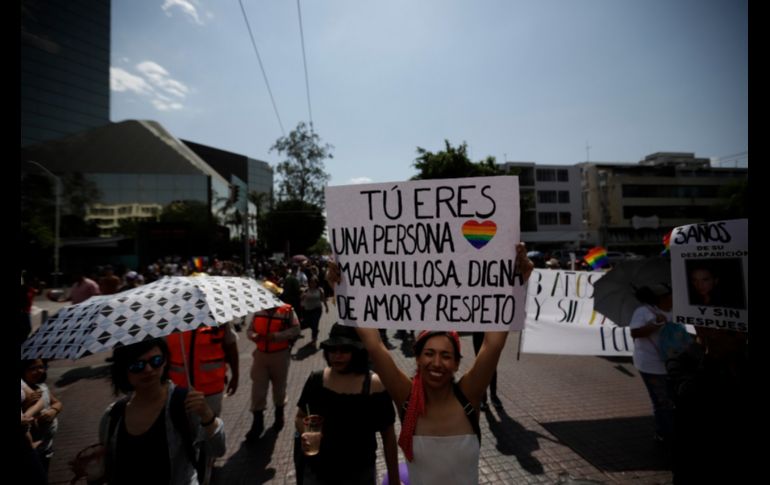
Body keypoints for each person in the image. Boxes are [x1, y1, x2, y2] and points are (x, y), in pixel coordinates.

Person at [326, 243, 533, 484]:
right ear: (417, 358)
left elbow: (493, 344)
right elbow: (374, 344)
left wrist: (517, 281)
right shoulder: (406, 398)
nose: (436, 362)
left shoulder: (469, 395)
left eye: (446, 356)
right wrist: (341, 286)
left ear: (456, 364)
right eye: (429, 353)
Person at [75, 338, 225, 485]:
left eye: (156, 361)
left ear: (165, 361)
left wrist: (207, 415)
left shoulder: (185, 404)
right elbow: (110, 473)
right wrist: (94, 472)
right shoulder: (112, 416)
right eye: (137, 365)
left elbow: (217, 449)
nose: (148, 370)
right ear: (123, 368)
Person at [294, 323, 400, 485]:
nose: (337, 356)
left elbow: (388, 436)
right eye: (332, 350)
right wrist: (306, 434)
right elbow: (300, 416)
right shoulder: (316, 379)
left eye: (345, 350)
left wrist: (394, 479)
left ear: (358, 352)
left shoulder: (374, 385)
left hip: (360, 474)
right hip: (318, 472)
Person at [666, 327, 748, 484]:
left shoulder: (740, 356)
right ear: (701, 330)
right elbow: (687, 396)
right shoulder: (682, 359)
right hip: (697, 459)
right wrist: (712, 359)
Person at [166, 323, 239, 485]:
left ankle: (206, 472)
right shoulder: (170, 322)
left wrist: (235, 375)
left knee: (208, 435)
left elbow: (231, 346)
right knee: (184, 436)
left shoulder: (218, 319)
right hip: (179, 392)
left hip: (211, 390)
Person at [244, 299, 301, 441]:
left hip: (280, 355)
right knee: (258, 389)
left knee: (279, 388)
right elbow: (249, 330)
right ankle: (257, 423)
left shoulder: (287, 311)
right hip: (260, 355)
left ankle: (279, 414)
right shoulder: (258, 311)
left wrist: (276, 336)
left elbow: (296, 329)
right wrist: (253, 336)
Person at [629, 283, 675, 443]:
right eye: (669, 295)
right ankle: (664, 434)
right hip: (651, 365)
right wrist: (656, 324)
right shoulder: (643, 312)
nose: (673, 298)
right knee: (662, 401)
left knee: (672, 400)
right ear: (661, 298)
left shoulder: (675, 311)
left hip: (674, 364)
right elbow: (635, 333)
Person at [21, 359, 62, 474]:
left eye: (41, 367)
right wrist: (28, 406)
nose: (38, 371)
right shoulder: (24, 395)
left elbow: (57, 402)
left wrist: (53, 411)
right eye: (32, 369)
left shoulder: (42, 387)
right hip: (32, 448)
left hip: (46, 446)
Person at [300, 276, 329, 347]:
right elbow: (301, 299)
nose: (312, 284)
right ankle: (315, 331)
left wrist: (326, 307)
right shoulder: (306, 290)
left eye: (314, 282)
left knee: (315, 324)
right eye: (311, 282)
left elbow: (323, 299)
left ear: (316, 283)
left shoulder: (320, 290)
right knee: (309, 323)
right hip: (308, 310)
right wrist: (302, 296)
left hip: (317, 309)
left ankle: (314, 340)